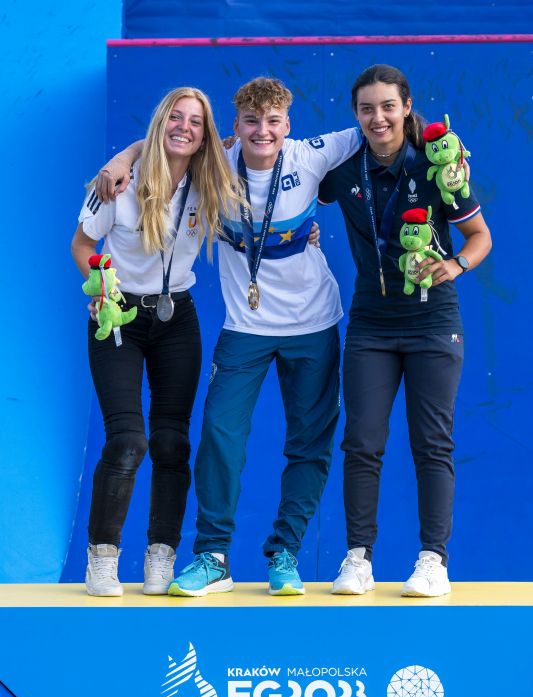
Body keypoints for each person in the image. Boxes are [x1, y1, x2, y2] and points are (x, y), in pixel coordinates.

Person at [99, 77, 362, 596]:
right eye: (251, 122)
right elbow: (164, 141)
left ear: (287, 125)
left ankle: (285, 552)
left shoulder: (311, 154)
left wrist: (437, 141)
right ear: (236, 127)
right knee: (220, 435)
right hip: (245, 327)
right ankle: (213, 556)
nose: (263, 131)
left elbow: (381, 127)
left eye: (273, 122)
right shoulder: (215, 165)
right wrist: (122, 159)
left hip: (313, 323)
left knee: (309, 443)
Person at [318, 64, 492, 597]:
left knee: (432, 445)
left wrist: (457, 265)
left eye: (388, 106)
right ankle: (358, 559)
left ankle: (433, 561)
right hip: (371, 324)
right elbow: (279, 170)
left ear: (407, 107)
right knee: (361, 443)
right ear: (356, 115)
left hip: (433, 324)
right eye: (367, 108)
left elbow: (480, 236)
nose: (379, 118)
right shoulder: (342, 171)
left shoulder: (438, 167)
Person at [71, 87, 241, 597]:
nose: (184, 127)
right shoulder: (118, 182)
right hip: (118, 317)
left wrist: (306, 234)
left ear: (204, 134)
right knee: (128, 440)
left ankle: (161, 555)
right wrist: (101, 286)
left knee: (172, 442)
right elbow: (82, 244)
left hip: (176, 318)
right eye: (175, 117)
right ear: (160, 122)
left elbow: (250, 147)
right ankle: (103, 557)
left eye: (195, 121)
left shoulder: (209, 182)